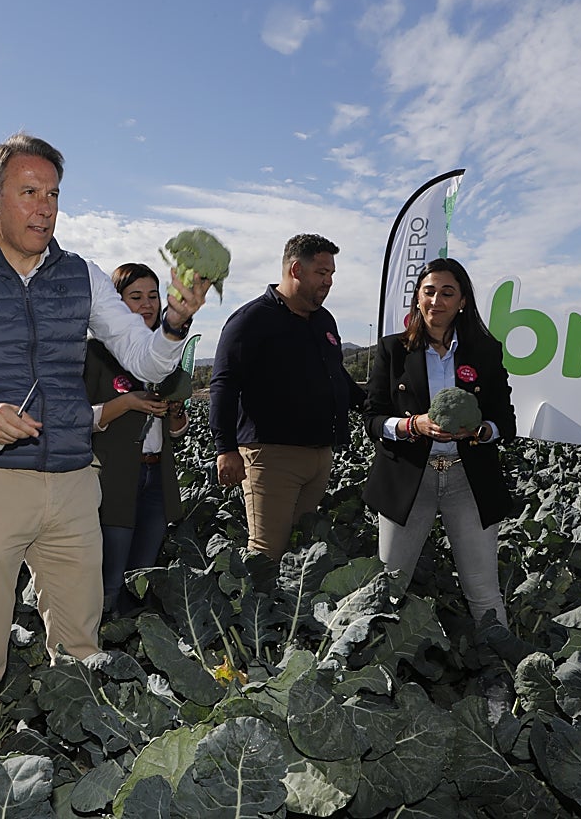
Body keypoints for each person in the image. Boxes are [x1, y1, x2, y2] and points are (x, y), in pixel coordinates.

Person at [0, 134, 210, 745]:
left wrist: (174, 320)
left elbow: (145, 362)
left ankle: (75, 774)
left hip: (70, 484)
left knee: (81, 647)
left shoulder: (81, 276)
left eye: (54, 195)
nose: (44, 208)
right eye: (29, 192)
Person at [362, 257, 515, 625]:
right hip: (409, 479)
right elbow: (372, 418)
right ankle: (381, 673)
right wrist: (413, 425)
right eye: (429, 291)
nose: (436, 300)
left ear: (462, 301)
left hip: (468, 480)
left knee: (483, 590)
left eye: (448, 293)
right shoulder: (392, 350)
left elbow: (505, 421)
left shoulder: (485, 351)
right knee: (389, 588)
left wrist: (479, 431)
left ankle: (497, 671)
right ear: (417, 298)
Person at [209, 233, 366, 561]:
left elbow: (338, 376)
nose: (329, 282)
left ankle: (292, 611)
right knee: (267, 552)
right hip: (272, 456)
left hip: (320, 455)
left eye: (332, 274)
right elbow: (224, 384)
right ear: (296, 270)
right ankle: (257, 612)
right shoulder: (251, 320)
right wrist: (225, 448)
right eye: (322, 273)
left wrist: (374, 405)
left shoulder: (324, 320)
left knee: (300, 550)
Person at [84, 263, 190, 616]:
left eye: (153, 296)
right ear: (115, 304)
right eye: (136, 297)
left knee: (141, 579)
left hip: (155, 478)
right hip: (113, 480)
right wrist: (127, 402)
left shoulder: (165, 353)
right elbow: (80, 419)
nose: (147, 305)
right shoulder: (96, 352)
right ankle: (98, 654)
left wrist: (176, 416)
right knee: (109, 579)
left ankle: (129, 650)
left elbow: (173, 433)